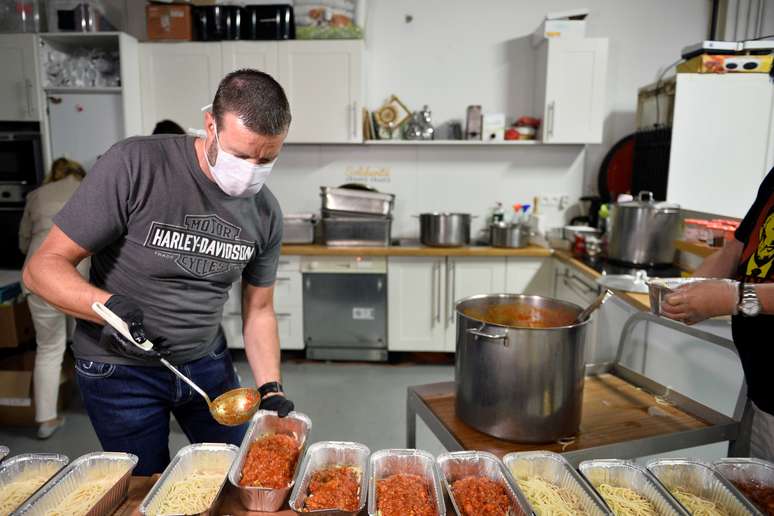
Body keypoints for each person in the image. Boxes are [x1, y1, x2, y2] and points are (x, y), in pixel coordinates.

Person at [23, 69, 295, 474]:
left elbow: (258, 310)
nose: (252, 169)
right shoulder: (134, 164)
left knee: (238, 475)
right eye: (242, 155)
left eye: (267, 159)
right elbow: (41, 269)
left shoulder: (266, 212)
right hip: (120, 372)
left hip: (207, 364)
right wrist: (106, 304)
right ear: (211, 126)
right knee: (147, 488)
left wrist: (270, 386)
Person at [661, 169, 774, 462]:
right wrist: (683, 291)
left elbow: (735, 295)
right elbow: (733, 251)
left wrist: (731, 298)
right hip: (762, 393)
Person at [19, 158, 89, 439]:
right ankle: (95, 405)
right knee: (88, 342)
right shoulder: (88, 188)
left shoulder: (36, 195)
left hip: (38, 275)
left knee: (48, 347)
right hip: (76, 276)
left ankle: (46, 419)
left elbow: (24, 241)